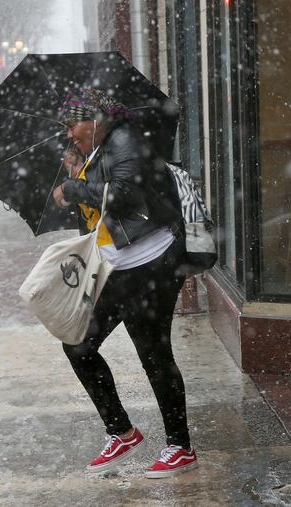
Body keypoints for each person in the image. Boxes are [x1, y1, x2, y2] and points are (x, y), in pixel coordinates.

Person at [51, 88, 197, 478]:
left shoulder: (125, 140)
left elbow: (126, 195)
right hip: (119, 266)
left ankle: (180, 447)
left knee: (153, 353)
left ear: (94, 120)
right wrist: (75, 174)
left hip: (151, 264)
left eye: (72, 125)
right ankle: (121, 431)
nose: (70, 134)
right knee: (78, 345)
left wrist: (78, 187)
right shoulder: (99, 149)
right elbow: (99, 215)